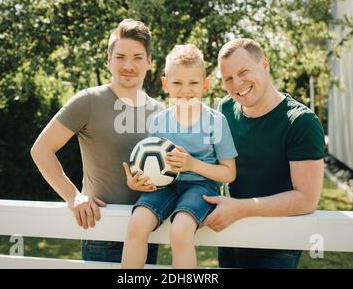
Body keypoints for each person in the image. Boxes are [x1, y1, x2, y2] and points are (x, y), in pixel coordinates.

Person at [30, 18, 164, 263]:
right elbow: (41, 149)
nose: (128, 65)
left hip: (149, 234)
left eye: (136, 57)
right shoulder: (88, 101)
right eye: (121, 57)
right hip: (102, 232)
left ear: (148, 62)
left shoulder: (160, 111)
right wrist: (74, 196)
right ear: (108, 60)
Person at [202, 38, 325, 269]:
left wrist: (241, 209)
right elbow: (213, 164)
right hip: (230, 237)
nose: (237, 83)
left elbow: (306, 200)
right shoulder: (224, 109)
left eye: (243, 71)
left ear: (265, 65)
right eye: (228, 78)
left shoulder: (301, 122)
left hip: (277, 243)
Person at [121, 44, 238, 268]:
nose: (185, 90)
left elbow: (229, 173)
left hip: (201, 187)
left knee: (181, 230)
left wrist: (192, 164)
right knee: (137, 223)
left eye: (193, 83)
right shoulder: (158, 121)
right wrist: (138, 180)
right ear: (166, 84)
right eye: (177, 83)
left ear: (205, 84)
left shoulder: (216, 121)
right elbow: (150, 163)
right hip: (165, 187)